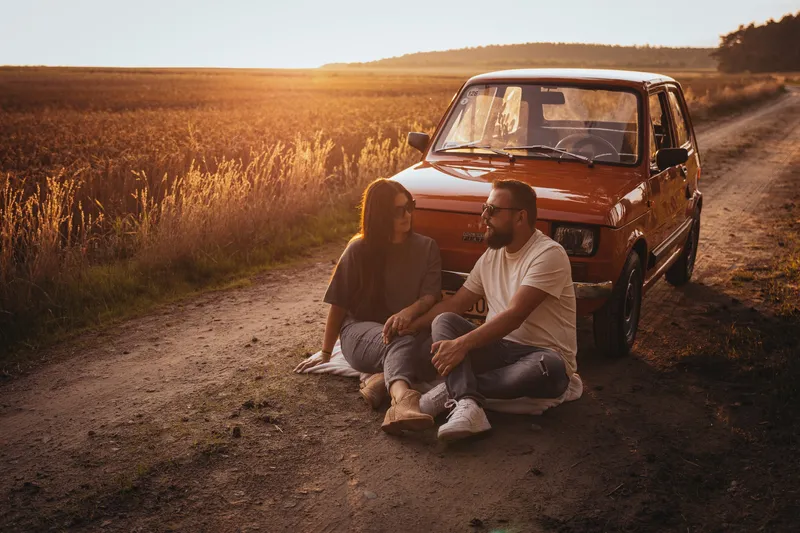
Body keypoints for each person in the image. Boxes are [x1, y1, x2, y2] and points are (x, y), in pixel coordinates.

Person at [402, 179, 577, 441]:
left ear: (520, 217)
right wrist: (411, 325)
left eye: (493, 210)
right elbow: (455, 304)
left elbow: (514, 316)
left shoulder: (549, 254)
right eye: (485, 208)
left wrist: (461, 345)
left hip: (540, 355)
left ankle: (453, 391)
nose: (484, 217)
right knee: (444, 320)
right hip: (498, 349)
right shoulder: (492, 256)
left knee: (545, 367)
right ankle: (469, 405)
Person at [293, 178, 442, 434]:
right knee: (398, 340)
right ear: (381, 214)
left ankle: (381, 379)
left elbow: (430, 297)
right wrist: (326, 352)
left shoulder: (426, 247)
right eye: (398, 210)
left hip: (409, 329)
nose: (407, 215)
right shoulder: (358, 249)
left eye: (410, 206)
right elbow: (338, 304)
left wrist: (408, 312)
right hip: (359, 332)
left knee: (433, 350)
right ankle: (402, 400)